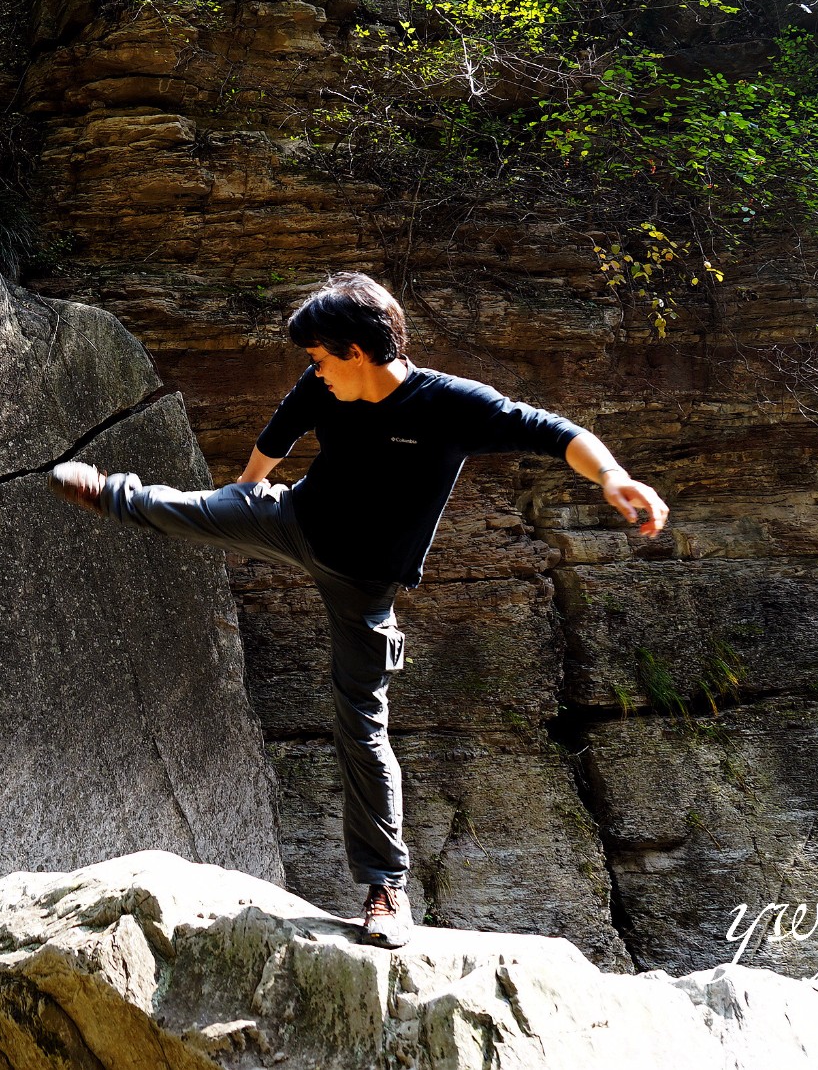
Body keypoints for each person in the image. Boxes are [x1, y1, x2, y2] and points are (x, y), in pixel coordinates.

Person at [48, 271, 669, 948]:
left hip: (365, 583)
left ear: (357, 350)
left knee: (361, 727)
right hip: (294, 521)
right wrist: (242, 500)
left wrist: (612, 474)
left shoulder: (451, 405)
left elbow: (554, 432)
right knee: (188, 510)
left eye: (318, 357)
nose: (312, 371)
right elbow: (277, 435)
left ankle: (385, 890)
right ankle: (115, 493)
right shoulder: (324, 384)